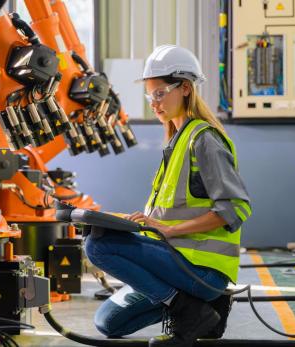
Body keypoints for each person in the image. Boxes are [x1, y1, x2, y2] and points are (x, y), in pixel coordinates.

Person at [84, 44, 251, 347]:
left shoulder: (204, 140)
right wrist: (134, 223)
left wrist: (169, 229)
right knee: (108, 322)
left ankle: (188, 310)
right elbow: (168, 213)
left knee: (97, 245)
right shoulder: (175, 141)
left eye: (160, 94)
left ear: (185, 88)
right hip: (173, 263)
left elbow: (235, 209)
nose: (154, 103)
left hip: (202, 270)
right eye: (150, 96)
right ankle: (200, 308)